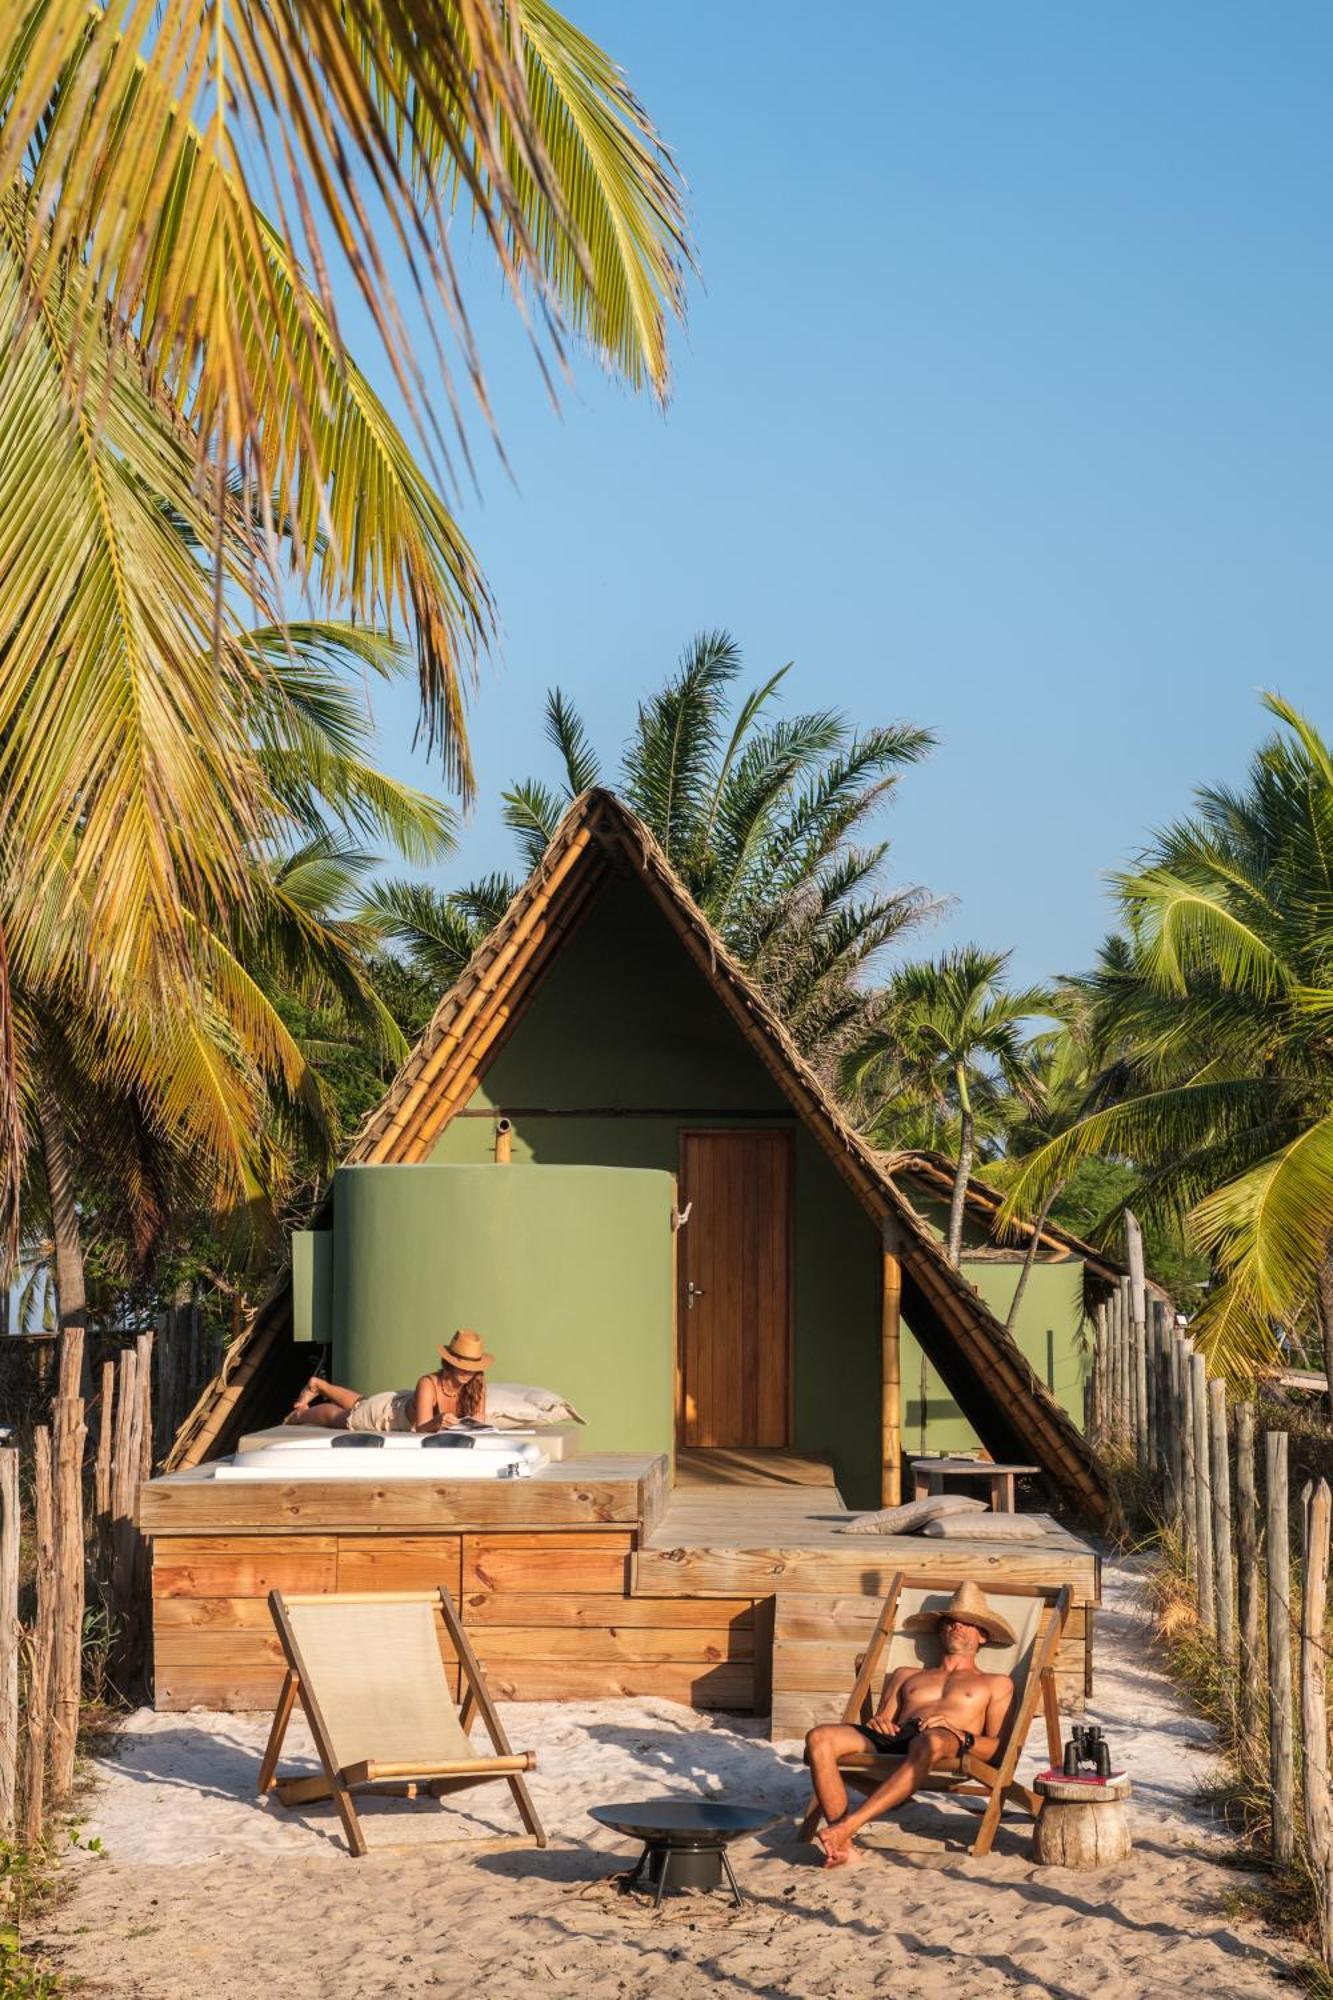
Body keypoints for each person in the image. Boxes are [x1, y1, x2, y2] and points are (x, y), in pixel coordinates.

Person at [804, 1581, 1016, 1867]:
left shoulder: (996, 1683)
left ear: (983, 1636)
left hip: (948, 1741)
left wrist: (959, 1735)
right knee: (819, 1737)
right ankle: (844, 1847)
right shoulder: (907, 1674)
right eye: (950, 1622)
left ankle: (847, 1826)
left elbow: (999, 1750)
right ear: (940, 1630)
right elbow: (883, 1719)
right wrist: (878, 1722)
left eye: (966, 1623)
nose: (956, 1627)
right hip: (899, 1737)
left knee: (931, 1740)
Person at [284, 1328, 494, 1433]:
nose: (468, 1372)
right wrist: (437, 1422)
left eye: (472, 1367)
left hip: (398, 1403)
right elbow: (421, 1428)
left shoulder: (476, 1387)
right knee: (345, 1417)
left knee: (361, 1403)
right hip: (389, 1416)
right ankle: (301, 1414)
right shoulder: (429, 1384)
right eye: (462, 1365)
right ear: (449, 1362)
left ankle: (319, 1385)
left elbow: (479, 1423)